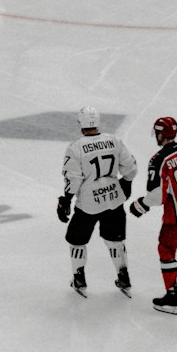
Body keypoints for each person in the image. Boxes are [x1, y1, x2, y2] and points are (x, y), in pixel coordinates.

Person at [58, 107, 136, 297]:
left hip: (88, 205)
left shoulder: (75, 147)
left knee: (77, 241)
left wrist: (65, 200)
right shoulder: (113, 140)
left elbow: (73, 180)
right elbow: (130, 167)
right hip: (114, 200)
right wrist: (126, 183)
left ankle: (79, 278)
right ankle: (123, 275)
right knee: (115, 240)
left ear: (81, 123)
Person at [129, 115, 177, 315]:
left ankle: (171, 297)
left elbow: (157, 195)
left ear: (160, 134)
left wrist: (141, 204)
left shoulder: (159, 160)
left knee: (166, 249)